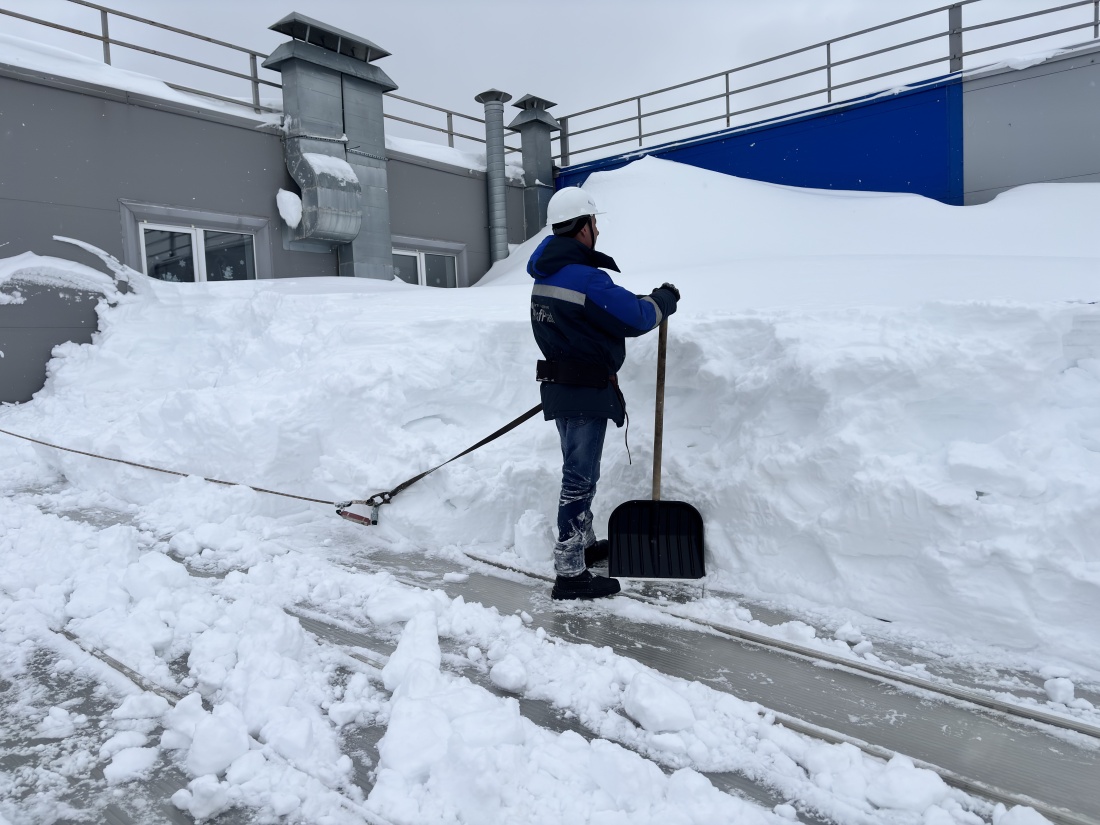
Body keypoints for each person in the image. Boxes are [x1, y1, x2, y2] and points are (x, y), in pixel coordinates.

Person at [528, 186, 680, 600]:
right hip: (582, 388)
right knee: (579, 478)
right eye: (595, 222)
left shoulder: (548, 273)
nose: (598, 229)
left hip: (564, 386)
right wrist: (662, 301)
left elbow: (596, 312)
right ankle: (570, 572)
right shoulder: (584, 277)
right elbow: (634, 317)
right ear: (584, 227)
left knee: (580, 471)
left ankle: (584, 543)